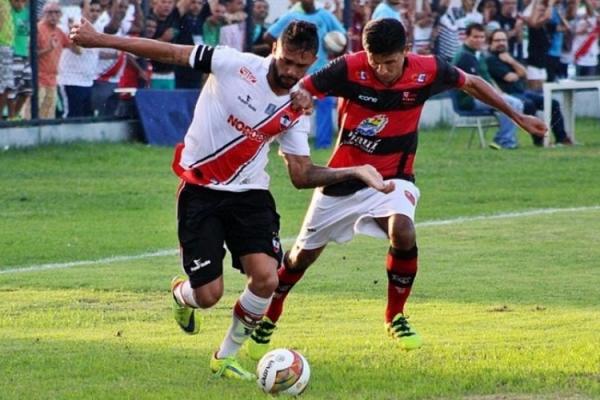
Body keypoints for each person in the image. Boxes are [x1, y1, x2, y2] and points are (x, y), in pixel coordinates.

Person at [70, 18, 393, 380]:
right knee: (208, 295)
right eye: (287, 60)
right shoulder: (232, 63)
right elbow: (171, 52)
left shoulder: (296, 108)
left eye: (301, 66)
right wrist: (100, 39)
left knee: (266, 279)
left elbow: (301, 176)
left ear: (313, 61)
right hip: (200, 190)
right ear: (274, 49)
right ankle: (182, 296)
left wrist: (355, 171)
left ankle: (224, 356)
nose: (291, 71)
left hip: (249, 195)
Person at [247, 18, 547, 360]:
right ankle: (271, 315)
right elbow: (305, 87)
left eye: (389, 62)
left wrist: (518, 117)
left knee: (403, 230)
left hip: (393, 176)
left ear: (406, 52)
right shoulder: (350, 67)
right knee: (301, 258)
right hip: (343, 177)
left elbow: (473, 83)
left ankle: (395, 316)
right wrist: (302, 97)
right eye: (375, 62)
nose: (382, 70)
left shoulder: (428, 70)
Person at [264, 0, 346, 149]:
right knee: (294, 106)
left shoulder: (325, 15)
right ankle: (288, 142)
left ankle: (323, 144)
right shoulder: (292, 16)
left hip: (322, 71)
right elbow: (268, 35)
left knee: (325, 105)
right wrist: (285, 55)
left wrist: (335, 46)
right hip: (296, 74)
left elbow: (343, 36)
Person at [486, 29, 572, 146]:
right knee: (529, 105)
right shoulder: (491, 60)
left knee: (553, 103)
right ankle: (540, 140)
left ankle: (562, 139)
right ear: (491, 43)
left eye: (503, 40)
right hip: (509, 96)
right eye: (497, 40)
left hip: (522, 92)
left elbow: (525, 73)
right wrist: (517, 70)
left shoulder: (509, 57)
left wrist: (511, 61)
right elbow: (510, 77)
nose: (501, 43)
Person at [452, 23, 524, 149]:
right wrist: (495, 97)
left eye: (481, 37)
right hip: (469, 99)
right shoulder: (465, 56)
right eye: (475, 37)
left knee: (515, 102)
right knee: (513, 104)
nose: (479, 40)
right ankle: (505, 141)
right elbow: (474, 86)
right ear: (466, 37)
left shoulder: (476, 55)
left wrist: (499, 94)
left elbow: (487, 80)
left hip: (482, 96)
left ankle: (504, 139)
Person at [37, 2, 73, 119]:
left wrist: (73, 31)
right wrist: (49, 49)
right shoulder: (38, 29)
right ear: (44, 14)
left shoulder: (59, 31)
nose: (53, 16)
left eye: (56, 12)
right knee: (32, 114)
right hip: (38, 79)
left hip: (52, 80)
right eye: (50, 12)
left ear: (61, 15)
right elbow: (30, 55)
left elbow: (78, 50)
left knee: (49, 116)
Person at [8, 0, 32, 120]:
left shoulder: (27, 13)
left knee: (27, 90)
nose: (20, 3)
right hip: (13, 53)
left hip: (25, 54)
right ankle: (11, 116)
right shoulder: (8, 12)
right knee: (12, 88)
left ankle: (14, 115)